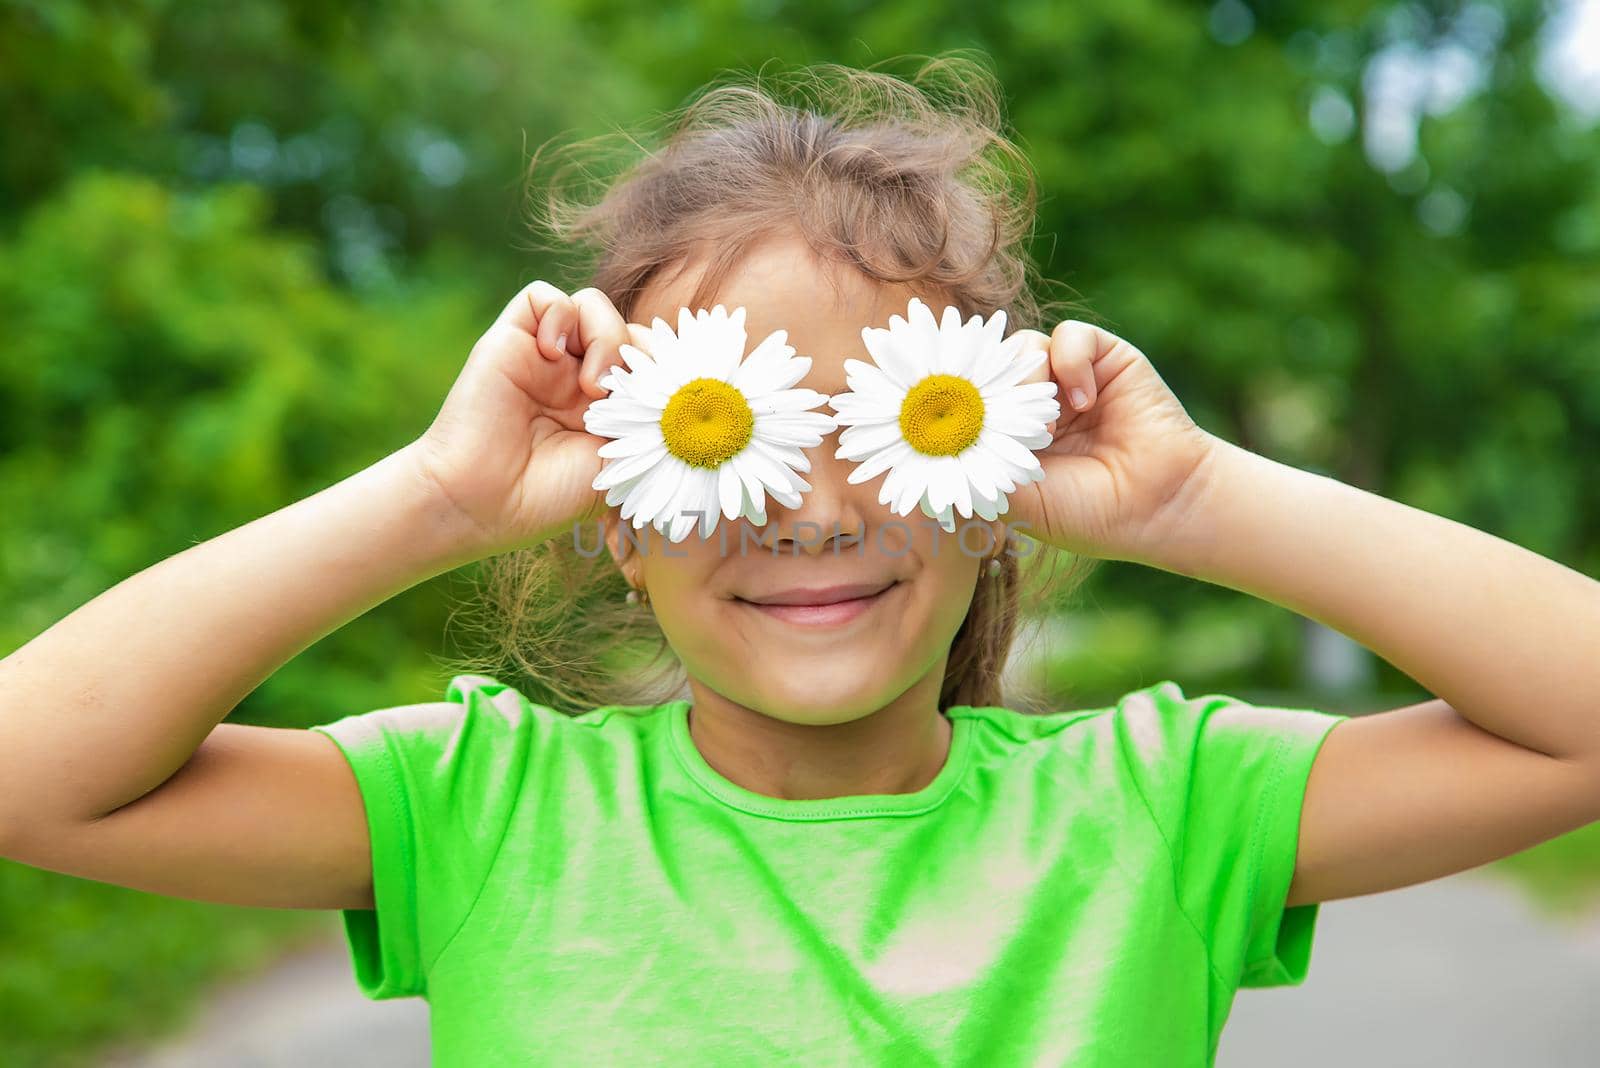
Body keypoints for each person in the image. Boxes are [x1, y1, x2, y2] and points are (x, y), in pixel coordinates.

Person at [3, 57, 1598, 1067]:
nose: (811, 504)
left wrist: (1194, 503)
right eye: (723, 431)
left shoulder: (1158, 810)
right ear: (613, 513)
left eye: (893, 423)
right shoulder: (483, 818)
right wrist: (435, 496)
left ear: (995, 486)